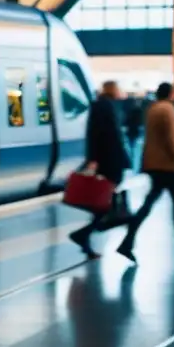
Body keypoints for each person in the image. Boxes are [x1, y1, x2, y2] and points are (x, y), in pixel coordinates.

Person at [116, 82, 174, 264]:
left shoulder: (153, 108)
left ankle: (128, 241)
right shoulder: (169, 110)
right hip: (171, 166)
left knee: (149, 204)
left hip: (155, 164)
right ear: (171, 93)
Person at [69, 80, 131, 259]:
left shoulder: (103, 106)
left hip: (109, 160)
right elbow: (100, 135)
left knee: (104, 202)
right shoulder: (105, 107)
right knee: (104, 202)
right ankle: (85, 234)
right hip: (109, 160)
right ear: (114, 89)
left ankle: (86, 235)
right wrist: (94, 160)